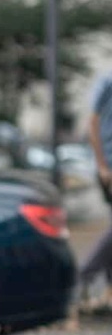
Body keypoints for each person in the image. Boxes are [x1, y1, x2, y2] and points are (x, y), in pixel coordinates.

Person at [78, 70, 112, 310]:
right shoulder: (106, 82)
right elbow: (92, 124)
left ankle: (108, 292)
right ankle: (84, 274)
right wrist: (102, 166)